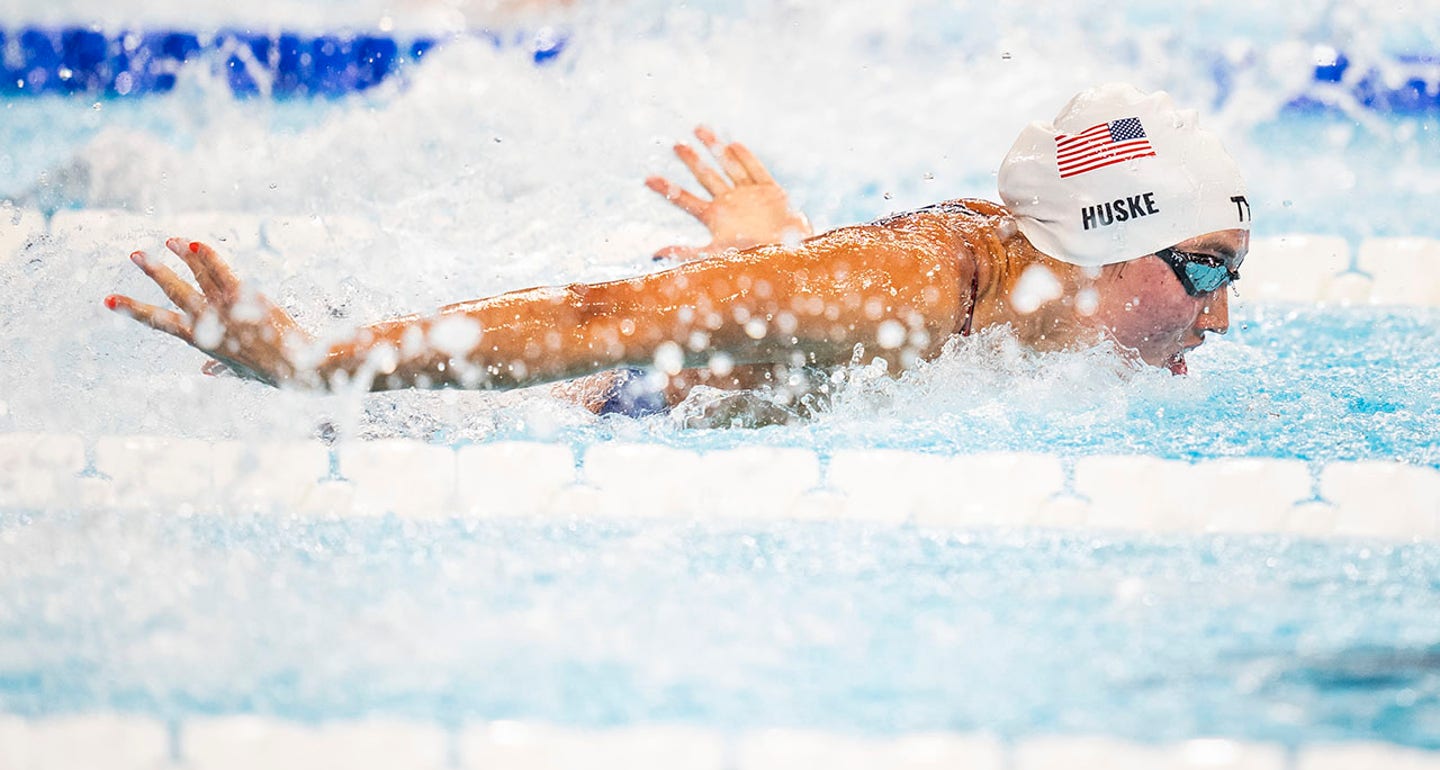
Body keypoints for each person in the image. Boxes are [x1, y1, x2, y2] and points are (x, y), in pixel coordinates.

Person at [105, 84, 1251, 420]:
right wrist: (320, 361)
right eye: (1207, 269)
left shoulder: (1026, 283)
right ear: (1109, 249)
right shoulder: (906, 294)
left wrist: (773, 267)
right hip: (564, 398)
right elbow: (597, 323)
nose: (1224, 311)